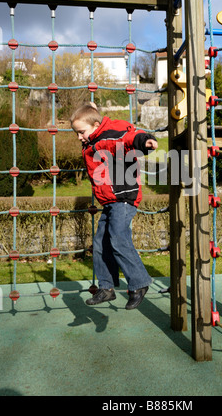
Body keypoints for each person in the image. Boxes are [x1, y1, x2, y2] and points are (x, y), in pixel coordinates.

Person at [70, 103, 158, 310]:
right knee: (100, 244)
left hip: (123, 197)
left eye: (81, 132)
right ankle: (107, 288)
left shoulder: (109, 135)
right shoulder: (95, 138)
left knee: (118, 238)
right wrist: (90, 108)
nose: (79, 137)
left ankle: (140, 283)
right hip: (110, 201)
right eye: (77, 133)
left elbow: (128, 137)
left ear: (95, 125)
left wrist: (145, 141)